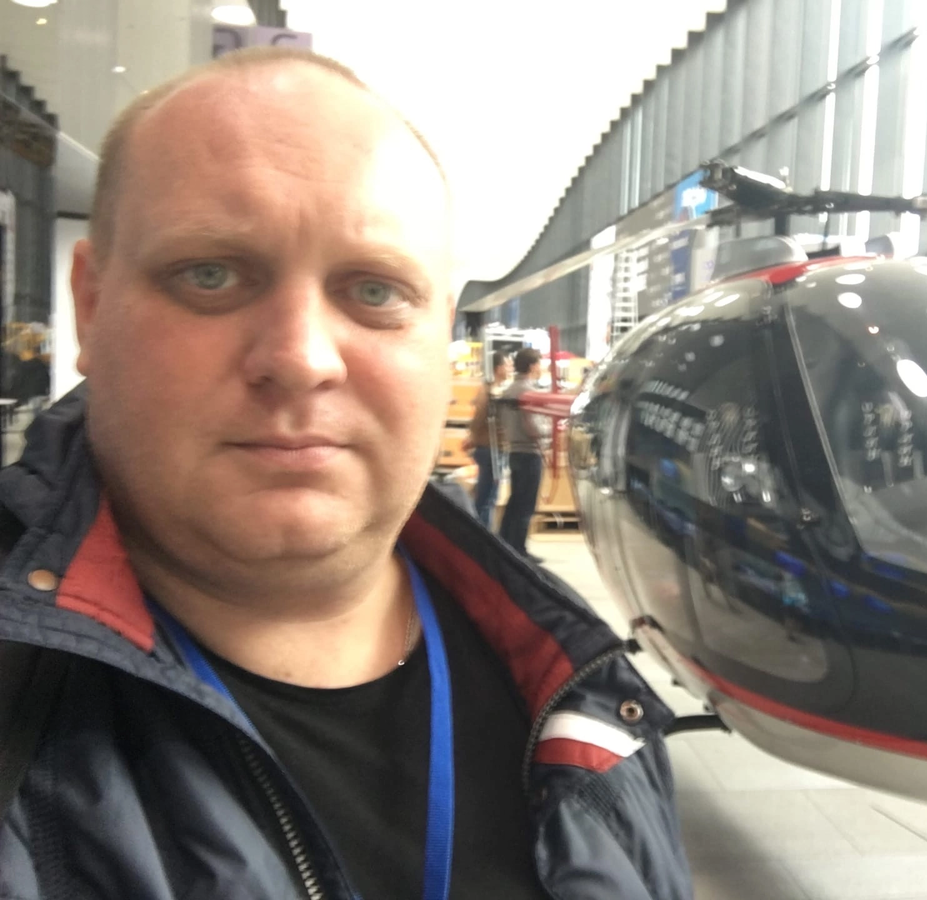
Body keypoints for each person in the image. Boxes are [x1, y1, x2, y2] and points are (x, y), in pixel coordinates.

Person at [0, 48, 691, 900]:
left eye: (375, 292)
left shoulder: (583, 698)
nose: (301, 358)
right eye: (211, 275)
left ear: (441, 333)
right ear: (91, 305)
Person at [498, 348, 546, 559]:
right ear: (533, 366)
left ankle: (505, 544)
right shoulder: (528, 392)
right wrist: (549, 432)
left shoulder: (508, 391)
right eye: (539, 363)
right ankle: (519, 550)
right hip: (529, 452)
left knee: (515, 500)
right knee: (526, 503)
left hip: (515, 451)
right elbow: (533, 426)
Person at [461, 349, 509, 528]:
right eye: (507, 365)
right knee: (487, 497)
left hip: (494, 448)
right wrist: (473, 437)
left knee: (488, 495)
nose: (510, 368)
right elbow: (479, 416)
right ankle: (481, 533)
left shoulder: (496, 390)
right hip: (490, 449)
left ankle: (479, 530)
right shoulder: (488, 391)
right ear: (498, 368)